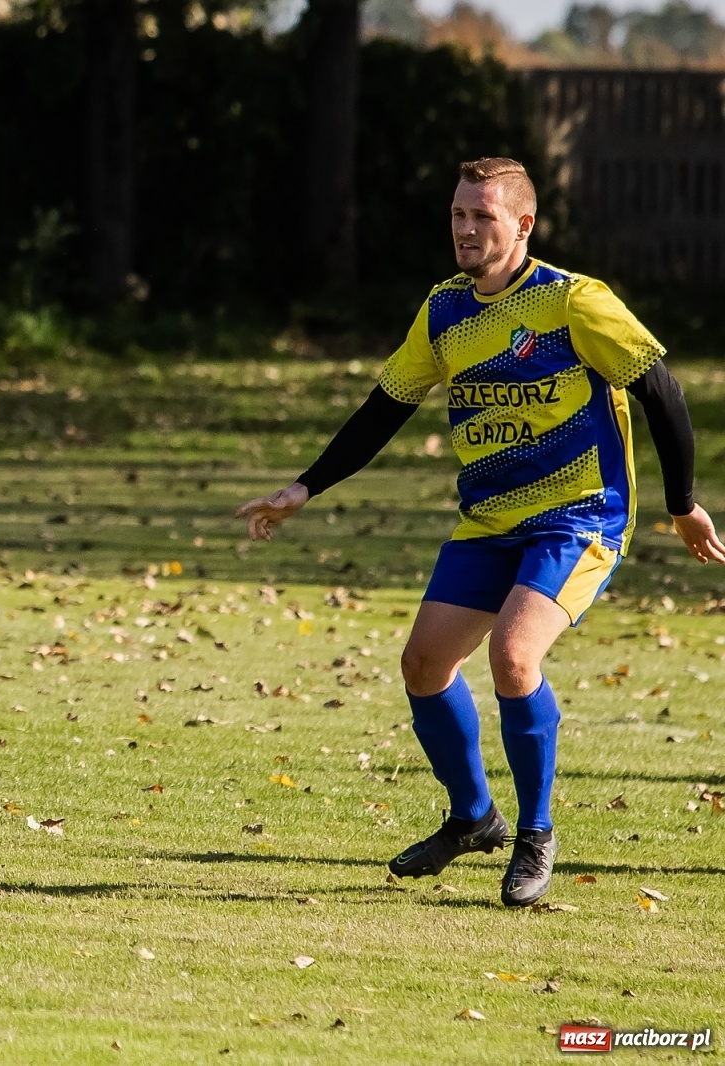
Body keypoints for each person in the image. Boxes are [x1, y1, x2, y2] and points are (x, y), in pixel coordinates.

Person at [236, 158, 724, 907]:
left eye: (483, 217)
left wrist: (683, 503)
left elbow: (659, 384)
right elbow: (386, 404)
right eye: (459, 216)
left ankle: (535, 834)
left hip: (579, 518)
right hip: (489, 521)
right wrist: (305, 486)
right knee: (423, 664)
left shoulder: (573, 303)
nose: (466, 229)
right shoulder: (444, 311)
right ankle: (473, 818)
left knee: (513, 655)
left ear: (523, 225)